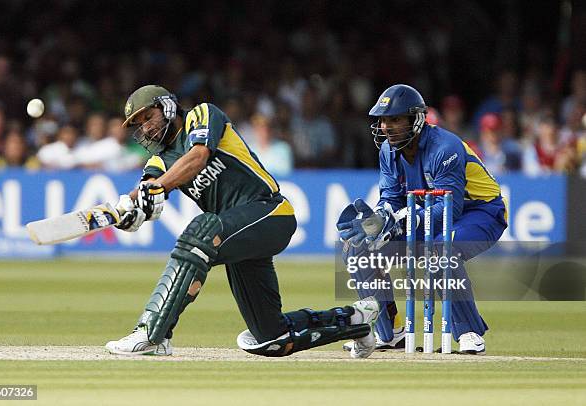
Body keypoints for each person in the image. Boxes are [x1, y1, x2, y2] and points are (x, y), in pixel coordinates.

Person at [105, 85, 380, 358]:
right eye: (138, 126)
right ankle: (355, 321)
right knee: (271, 337)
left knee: (200, 233)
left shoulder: (200, 115)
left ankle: (153, 333)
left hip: (269, 212)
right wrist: (129, 208)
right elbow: (148, 188)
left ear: (166, 107)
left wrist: (156, 189)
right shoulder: (158, 160)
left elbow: (198, 156)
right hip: (236, 232)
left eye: (147, 118)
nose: (146, 129)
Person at [338, 84, 508, 355]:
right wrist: (382, 218)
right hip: (426, 212)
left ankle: (468, 333)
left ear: (416, 119)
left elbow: (449, 210)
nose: (385, 127)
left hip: (481, 211)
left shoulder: (445, 147)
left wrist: (405, 220)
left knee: (440, 251)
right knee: (358, 250)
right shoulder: (388, 151)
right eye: (382, 120)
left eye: (394, 119)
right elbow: (391, 198)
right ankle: (390, 333)